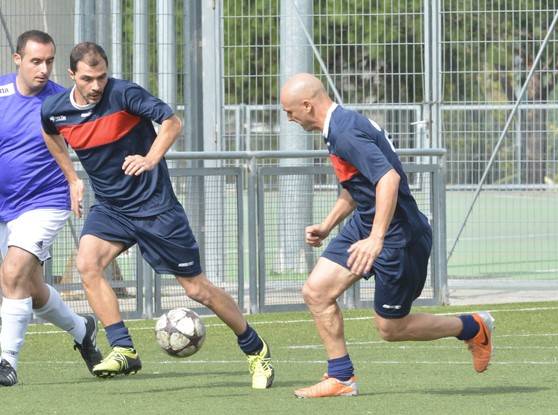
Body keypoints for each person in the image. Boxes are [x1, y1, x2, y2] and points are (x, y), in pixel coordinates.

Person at [40, 42, 274, 389]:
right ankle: (123, 349)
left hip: (155, 208)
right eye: (88, 79)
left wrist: (150, 158)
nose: (95, 87)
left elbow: (172, 122)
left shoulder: (124, 94)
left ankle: (257, 350)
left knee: (197, 289)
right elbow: (51, 135)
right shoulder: (56, 110)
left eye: (101, 77)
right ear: (71, 75)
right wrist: (73, 179)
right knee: (88, 264)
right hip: (110, 208)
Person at [279, 73, 494, 398]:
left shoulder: (345, 130)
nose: (289, 119)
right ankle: (341, 378)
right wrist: (327, 225)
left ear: (307, 105)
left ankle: (472, 326)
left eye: (290, 112)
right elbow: (357, 187)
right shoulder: (337, 128)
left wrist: (376, 239)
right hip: (368, 225)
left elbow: (388, 180)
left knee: (391, 328)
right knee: (316, 292)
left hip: (399, 236)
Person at [0, 30, 103, 387]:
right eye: (35, 61)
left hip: (45, 201)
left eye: (49, 61)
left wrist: (79, 180)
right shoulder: (0, 94)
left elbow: (98, 138)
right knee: (30, 286)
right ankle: (82, 329)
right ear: (17, 60)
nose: (43, 69)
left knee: (12, 272)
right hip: (4, 206)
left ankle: (6, 361)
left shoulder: (63, 101)